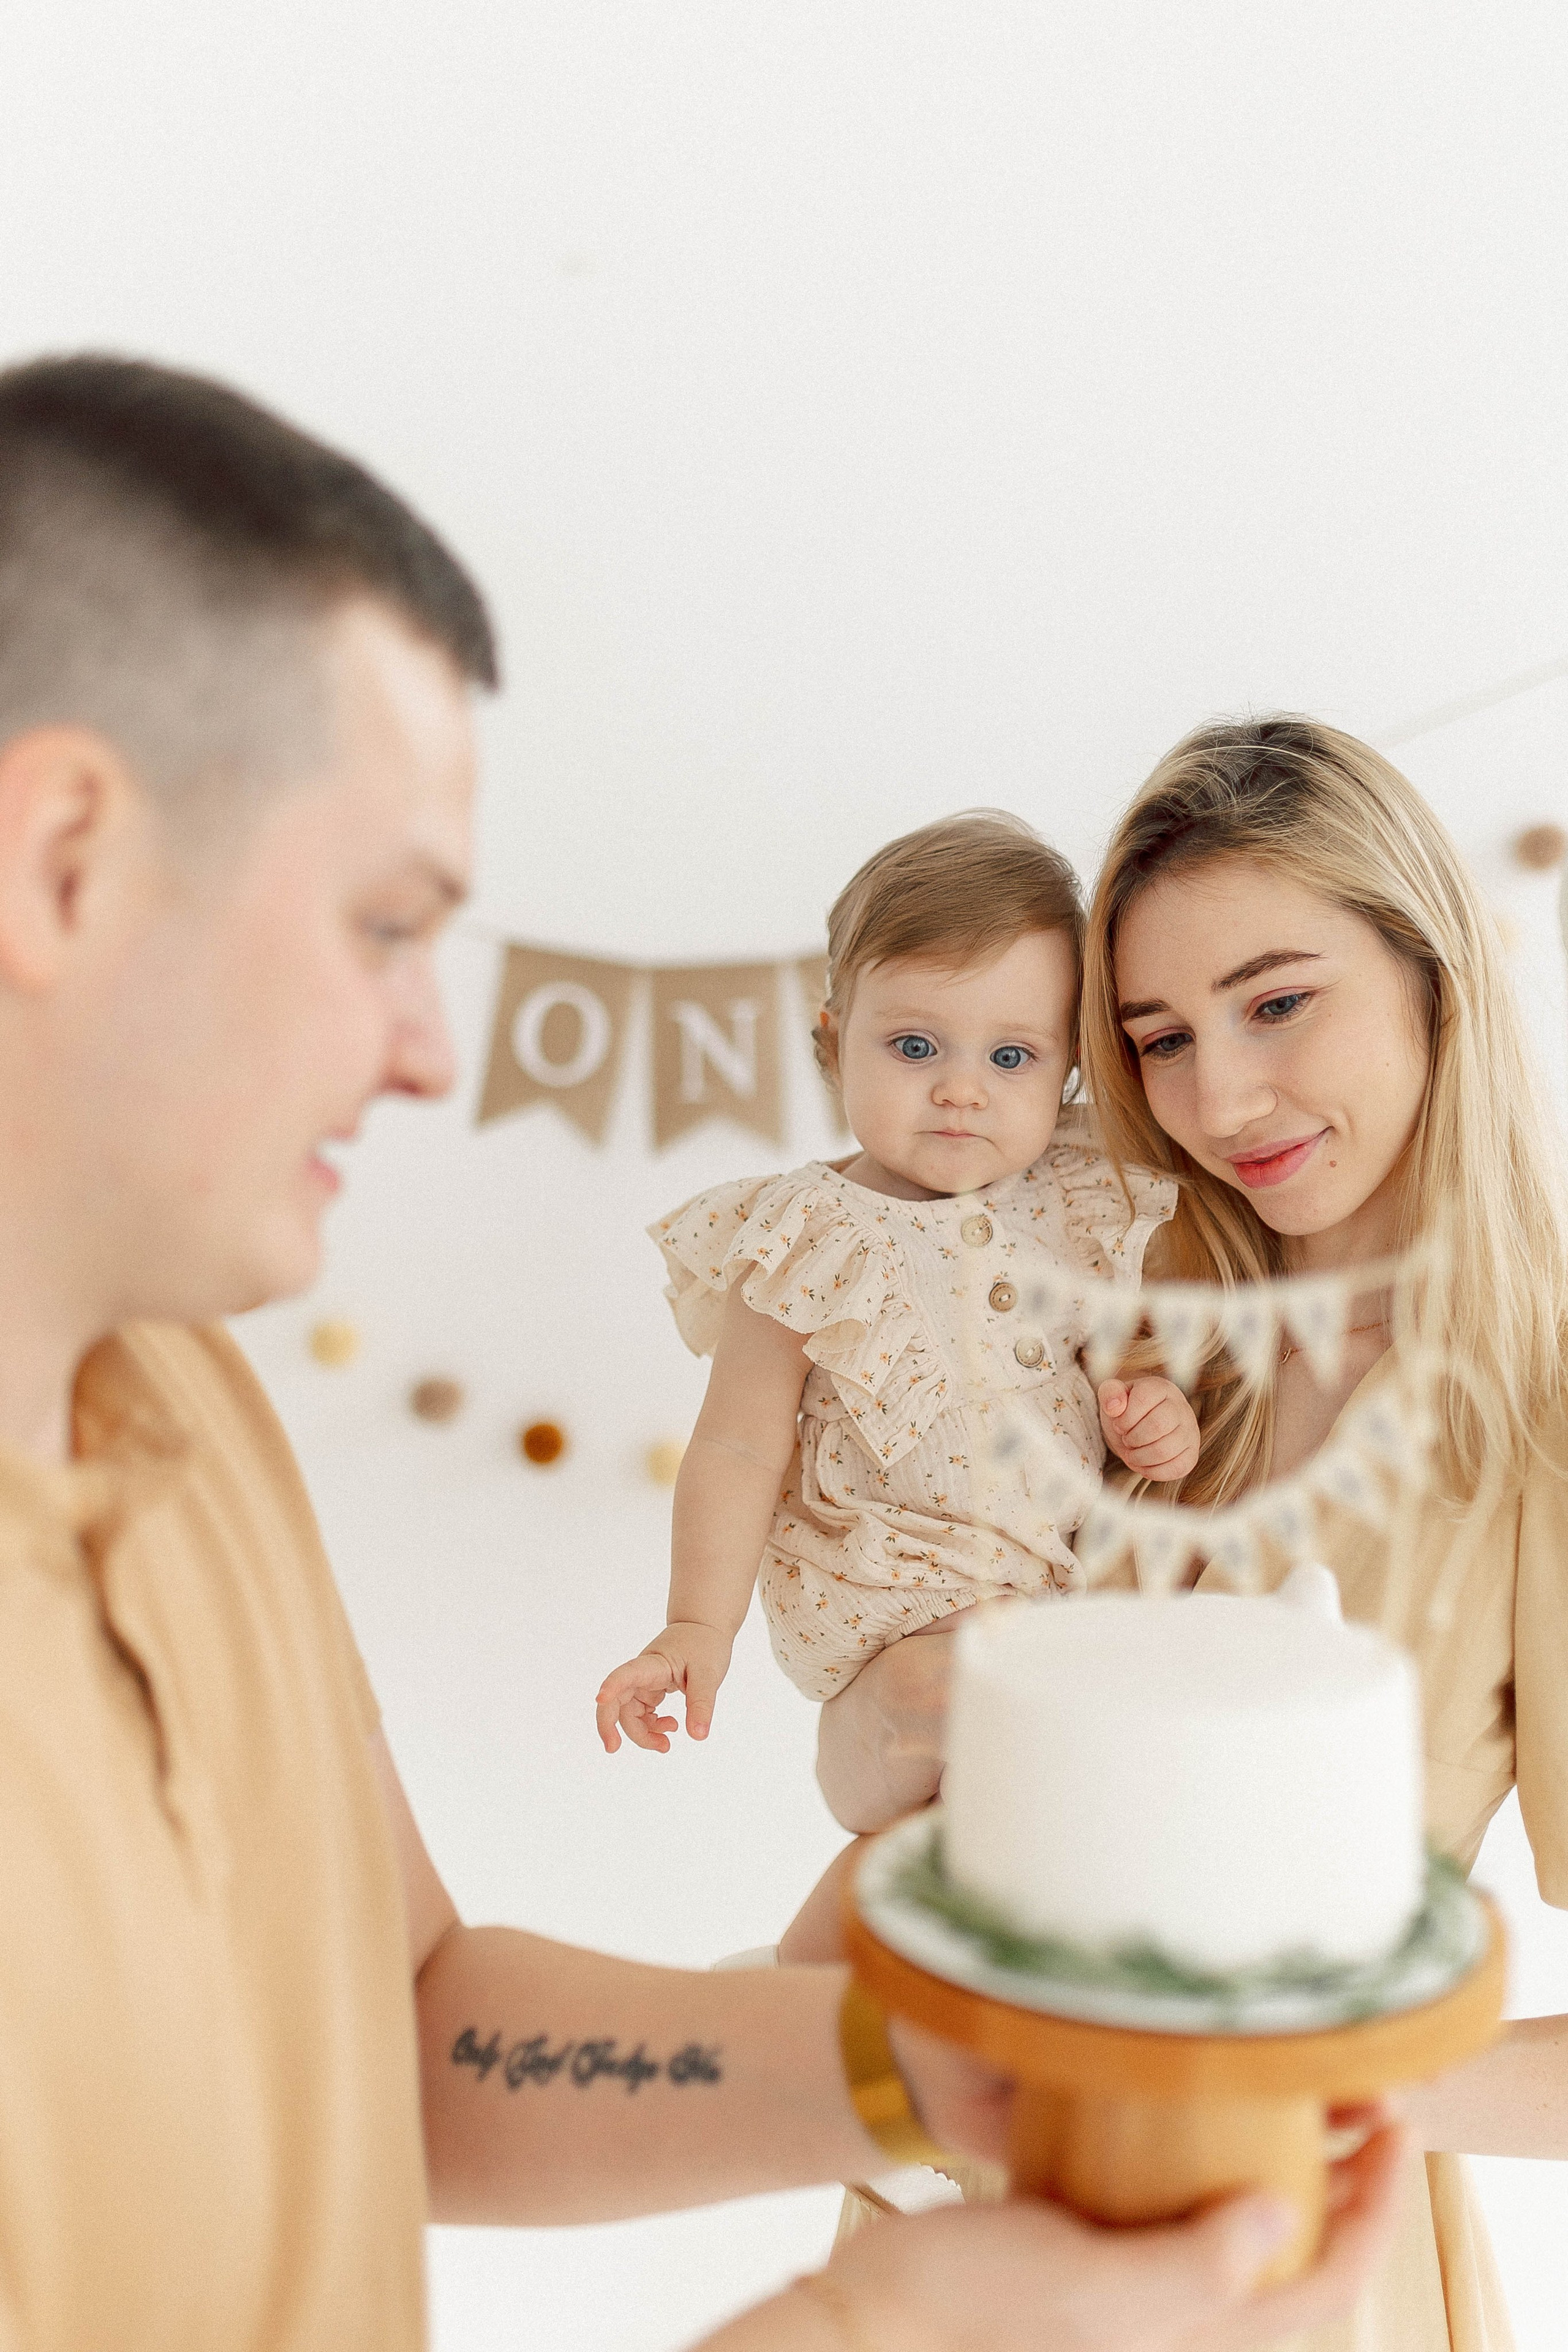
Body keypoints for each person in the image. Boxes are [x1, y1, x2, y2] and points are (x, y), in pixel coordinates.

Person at [0, 356, 1404, 2350]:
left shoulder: (187, 1408)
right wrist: (875, 2330)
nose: (427, 1046)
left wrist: (920, 2073)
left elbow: (409, 2032)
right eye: (385, 927)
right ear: (64, 856)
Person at [813, 714, 1568, 2349]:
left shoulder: (1539, 1422)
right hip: (939, 2228)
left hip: (1278, 2267)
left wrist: (1276, 2077)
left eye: (1279, 1004)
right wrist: (886, 1717)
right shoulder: (1103, 1317)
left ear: (1436, 973)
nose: (1220, 1095)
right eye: (1156, 1036)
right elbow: (877, 1785)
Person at [595, 814, 1199, 1793]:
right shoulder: (806, 1233)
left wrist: (1153, 1407)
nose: (962, 1090)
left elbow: (1124, 1346)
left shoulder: (1079, 1196)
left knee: (1063, 1787)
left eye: (1011, 1058)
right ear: (836, 1045)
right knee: (975, 1730)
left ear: (1070, 1068)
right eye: (916, 1046)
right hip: (891, 1605)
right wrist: (696, 1626)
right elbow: (739, 1446)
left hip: (1055, 1588)